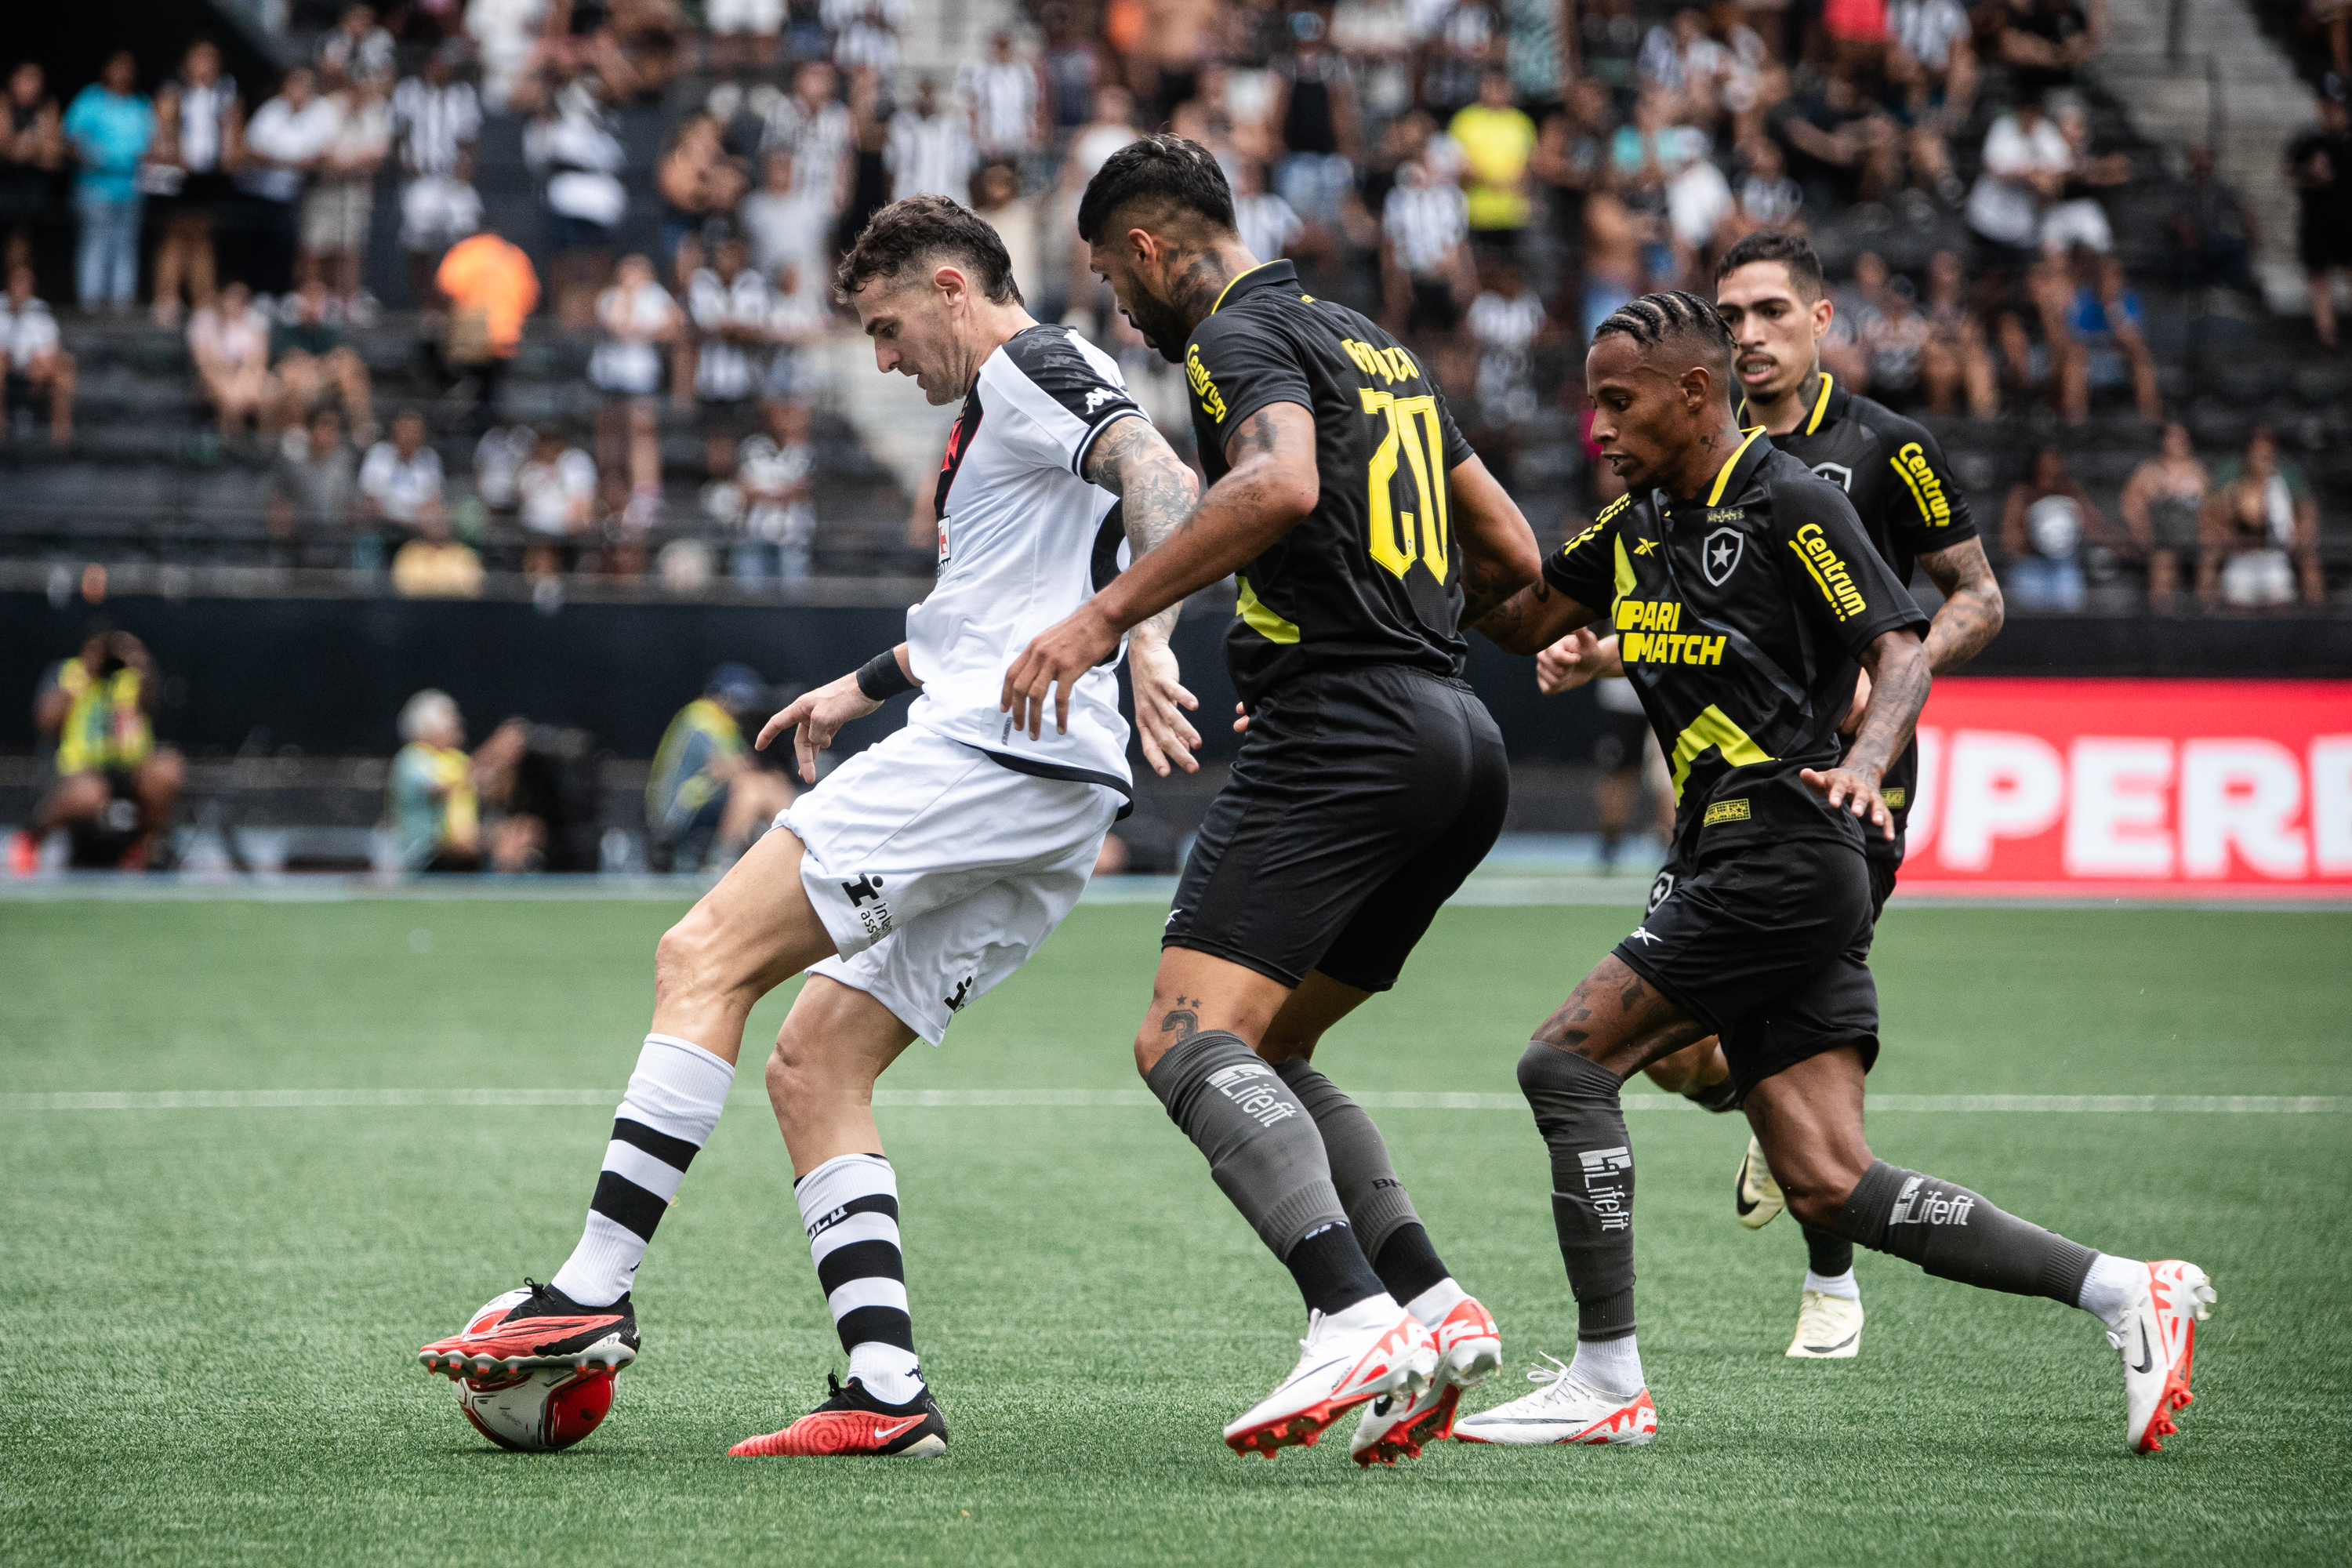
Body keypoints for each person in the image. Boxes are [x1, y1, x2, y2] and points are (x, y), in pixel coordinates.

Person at [416, 192, 1206, 1462]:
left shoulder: (1029, 366)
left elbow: (1166, 479)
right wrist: (864, 683)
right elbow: (994, 606)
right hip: (1056, 794)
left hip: (993, 755)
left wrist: (1145, 633)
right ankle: (888, 1393)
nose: (883, 362)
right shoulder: (1007, 406)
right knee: (816, 1062)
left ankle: (592, 1288)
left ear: (951, 287)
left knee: (701, 957)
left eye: (888, 329)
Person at [1465, 287, 2210, 1454]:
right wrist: (1442, 506)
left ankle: (1607, 1379)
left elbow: (1901, 649)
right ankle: (2126, 1289)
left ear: (1694, 393)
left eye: (1618, 402)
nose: (1597, 427)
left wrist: (1866, 762)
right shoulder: (1633, 524)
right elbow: (1516, 617)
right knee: (1826, 1179)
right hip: (1749, 856)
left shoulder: (1791, 497)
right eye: (1591, 404)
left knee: (1563, 1064)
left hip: (1782, 844)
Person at [1004, 134, 1544, 1465]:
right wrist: (1400, 634)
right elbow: (1513, 555)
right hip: (1457, 739)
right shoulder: (1375, 341)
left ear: (1148, 248)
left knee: (1181, 1038)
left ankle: (1347, 1315)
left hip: (1348, 735)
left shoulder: (1232, 337)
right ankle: (1430, 1304)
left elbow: (1281, 481)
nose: (1119, 309)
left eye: (1111, 278)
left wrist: (1104, 618)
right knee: (1275, 1051)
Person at [1539, 230, 2008, 1359]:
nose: (1750, 333)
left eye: (1771, 312)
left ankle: (1828, 1282)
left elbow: (1976, 598)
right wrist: (1606, 652)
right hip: (1723, 776)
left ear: (1821, 320)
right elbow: (1718, 620)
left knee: (1725, 1039)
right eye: (1733, 314)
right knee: (1687, 1055)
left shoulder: (1883, 450)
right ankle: (1775, 1115)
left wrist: (1878, 699)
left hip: (1845, 790)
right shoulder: (1681, 467)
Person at [10, 626, 183, 874]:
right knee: (90, 794)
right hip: (82, 769)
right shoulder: (70, 673)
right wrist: (85, 675)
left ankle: (145, 847)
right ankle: (33, 837)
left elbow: (152, 699)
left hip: (130, 767)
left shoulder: (131, 676)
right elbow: (46, 721)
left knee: (167, 770)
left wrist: (136, 657)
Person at [644, 664, 797, 871]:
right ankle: (722, 863)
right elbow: (724, 768)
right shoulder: (701, 715)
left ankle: (794, 854)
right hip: (679, 810)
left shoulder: (728, 724)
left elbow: (745, 765)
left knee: (773, 782)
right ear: (722, 695)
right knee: (750, 787)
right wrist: (746, 769)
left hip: (710, 801)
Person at [147, 40, 241, 329]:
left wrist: (227, 157)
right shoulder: (173, 90)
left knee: (203, 237)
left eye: (210, 60)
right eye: (199, 59)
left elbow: (233, 132)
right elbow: (163, 126)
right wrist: (177, 155)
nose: (204, 66)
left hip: (208, 176)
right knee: (174, 236)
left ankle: (203, 302)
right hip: (179, 174)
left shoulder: (224, 93)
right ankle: (167, 299)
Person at [386, 689, 522, 871]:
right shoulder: (412, 758)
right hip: (423, 857)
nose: (457, 724)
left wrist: (505, 760)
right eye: (450, 720)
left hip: (456, 854)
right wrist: (493, 749)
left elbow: (485, 785)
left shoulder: (455, 759)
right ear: (429, 728)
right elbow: (446, 787)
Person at [393, 42, 485, 310]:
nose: (448, 70)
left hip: (452, 177)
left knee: (467, 230)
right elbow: (398, 135)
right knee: (419, 236)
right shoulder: (409, 92)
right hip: (421, 178)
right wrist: (407, 163)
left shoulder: (463, 94)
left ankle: (459, 299)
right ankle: (426, 303)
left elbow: (470, 140)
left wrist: (464, 172)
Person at [61, 52, 152, 314]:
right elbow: (68, 140)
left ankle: (121, 305)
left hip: (131, 190)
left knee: (125, 247)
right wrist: (90, 156)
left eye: (128, 68)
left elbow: (154, 143)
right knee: (95, 244)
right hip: (94, 189)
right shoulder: (90, 100)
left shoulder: (140, 104)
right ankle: (91, 305)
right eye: (118, 67)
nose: (123, 73)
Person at [591, 254, 680, 525]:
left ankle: (646, 494)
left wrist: (645, 331)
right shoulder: (609, 297)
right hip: (610, 376)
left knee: (642, 434)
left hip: (640, 377)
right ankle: (611, 489)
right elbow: (618, 325)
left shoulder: (656, 296)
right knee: (611, 436)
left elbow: (674, 326)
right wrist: (632, 304)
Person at [239, 67, 339, 301]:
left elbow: (326, 153)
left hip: (304, 196)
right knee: (265, 246)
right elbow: (251, 148)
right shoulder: (270, 110)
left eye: (304, 85)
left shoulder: (319, 113)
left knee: (300, 249)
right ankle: (263, 294)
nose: (298, 90)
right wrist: (285, 160)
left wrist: (289, 160)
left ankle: (290, 295)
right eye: (294, 84)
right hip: (267, 195)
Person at [2201, 426, 2324, 610]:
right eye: (2257, 452)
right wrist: (2224, 535)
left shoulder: (2283, 478)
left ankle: (2316, 616)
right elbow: (2211, 513)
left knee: (2308, 559)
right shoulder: (2234, 482)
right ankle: (2205, 616)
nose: (2261, 459)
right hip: (2241, 554)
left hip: (2276, 553)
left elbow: (2308, 509)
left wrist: (2300, 535)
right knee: (2210, 557)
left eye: (2266, 454)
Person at [303, 69, 390, 315]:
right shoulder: (327, 107)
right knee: (317, 247)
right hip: (324, 190)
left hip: (356, 191)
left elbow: (376, 156)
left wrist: (344, 161)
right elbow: (321, 152)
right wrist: (352, 160)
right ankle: (314, 302)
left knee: (351, 247)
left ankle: (348, 301)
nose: (360, 91)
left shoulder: (376, 110)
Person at [435, 223, 540, 426]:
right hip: (507, 339)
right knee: (492, 394)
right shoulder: (515, 255)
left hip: (473, 341)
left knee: (470, 388)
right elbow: (531, 299)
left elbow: (446, 289)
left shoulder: (466, 251)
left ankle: (469, 423)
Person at [2002, 443, 2125, 611]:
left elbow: (2095, 526)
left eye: (2056, 463)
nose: (2053, 468)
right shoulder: (2022, 494)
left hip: (2064, 566)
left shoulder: (2071, 491)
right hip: (2032, 565)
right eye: (2047, 464)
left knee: (2070, 594)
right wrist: (2031, 536)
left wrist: (2078, 529)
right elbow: (2009, 540)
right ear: (2036, 466)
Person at [270, 278, 376, 439]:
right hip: (301, 384)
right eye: (309, 296)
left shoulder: (331, 330)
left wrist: (322, 366)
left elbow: (343, 356)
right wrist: (319, 365)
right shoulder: (287, 330)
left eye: (318, 296)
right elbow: (292, 360)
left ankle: (362, 434)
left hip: (326, 379)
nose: (313, 302)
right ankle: (295, 438)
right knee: (292, 377)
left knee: (352, 375)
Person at [1448, 68, 1537, 258]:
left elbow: (1530, 165)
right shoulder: (1464, 120)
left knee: (1510, 270)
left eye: (1500, 85)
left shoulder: (1522, 122)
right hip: (1474, 213)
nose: (1494, 90)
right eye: (1489, 84)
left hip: (1512, 214)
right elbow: (1459, 164)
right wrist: (1497, 180)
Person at [2288, 87, 2352, 350]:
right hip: (2318, 223)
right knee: (2320, 278)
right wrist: (2311, 172)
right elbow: (2293, 171)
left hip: (2347, 221)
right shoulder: (2310, 142)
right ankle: (2327, 338)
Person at [2119, 422, 2207, 612]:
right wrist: (2142, 532)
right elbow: (2129, 502)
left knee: (2208, 561)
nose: (2178, 442)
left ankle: (2206, 615)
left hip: (2193, 539)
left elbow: (2211, 507)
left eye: (2182, 437)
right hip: (2162, 539)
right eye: (2173, 437)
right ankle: (2162, 616)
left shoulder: (2198, 470)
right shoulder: (2149, 471)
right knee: (2163, 561)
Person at [266, 405, 358, 565]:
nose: (330, 433)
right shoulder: (293, 464)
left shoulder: (345, 465)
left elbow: (351, 508)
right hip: (299, 546)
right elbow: (277, 505)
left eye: (336, 428)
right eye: (325, 425)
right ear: (311, 429)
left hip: (336, 546)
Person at [0, 63, 64, 278]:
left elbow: (53, 155)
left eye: (36, 80)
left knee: (25, 246)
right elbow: (5, 146)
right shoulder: (3, 103)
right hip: (5, 188)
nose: (31, 86)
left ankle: (20, 293)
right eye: (26, 80)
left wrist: (24, 148)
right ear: (13, 81)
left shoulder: (48, 106)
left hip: (33, 193)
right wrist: (35, 146)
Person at [358, 407, 447, 559]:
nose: (410, 436)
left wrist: (417, 523)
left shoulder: (430, 458)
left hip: (418, 530)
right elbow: (370, 498)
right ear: (396, 429)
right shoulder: (378, 453)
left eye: (415, 431)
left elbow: (434, 501)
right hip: (383, 527)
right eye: (406, 430)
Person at [1, 263, 74, 446]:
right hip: (5, 370)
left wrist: (38, 364)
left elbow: (50, 351)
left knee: (65, 368)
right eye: (18, 282)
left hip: (33, 370)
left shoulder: (40, 311)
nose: (21, 288)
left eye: (26, 283)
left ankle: (60, 443)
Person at [516, 426, 598, 577]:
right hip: (532, 529)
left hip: (565, 534)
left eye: (550, 439)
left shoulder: (576, 461)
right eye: (542, 439)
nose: (545, 445)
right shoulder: (529, 466)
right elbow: (521, 500)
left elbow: (581, 513)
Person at [884, 78, 975, 205]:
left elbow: (967, 168)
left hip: (949, 202)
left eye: (930, 92)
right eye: (922, 91)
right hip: (908, 203)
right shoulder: (900, 126)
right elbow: (890, 168)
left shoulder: (954, 127)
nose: (925, 98)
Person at [958, 29, 1041, 164]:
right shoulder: (980, 72)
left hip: (1017, 143)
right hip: (989, 144)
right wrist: (976, 136)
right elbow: (971, 106)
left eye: (1006, 46)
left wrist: (1031, 133)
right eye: (998, 46)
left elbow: (1034, 105)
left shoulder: (1023, 73)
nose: (1002, 51)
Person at [391, 509, 485, 597]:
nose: (436, 522)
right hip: (416, 607)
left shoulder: (464, 553)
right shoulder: (410, 552)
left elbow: (470, 588)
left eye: (440, 517)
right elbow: (404, 587)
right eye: (431, 517)